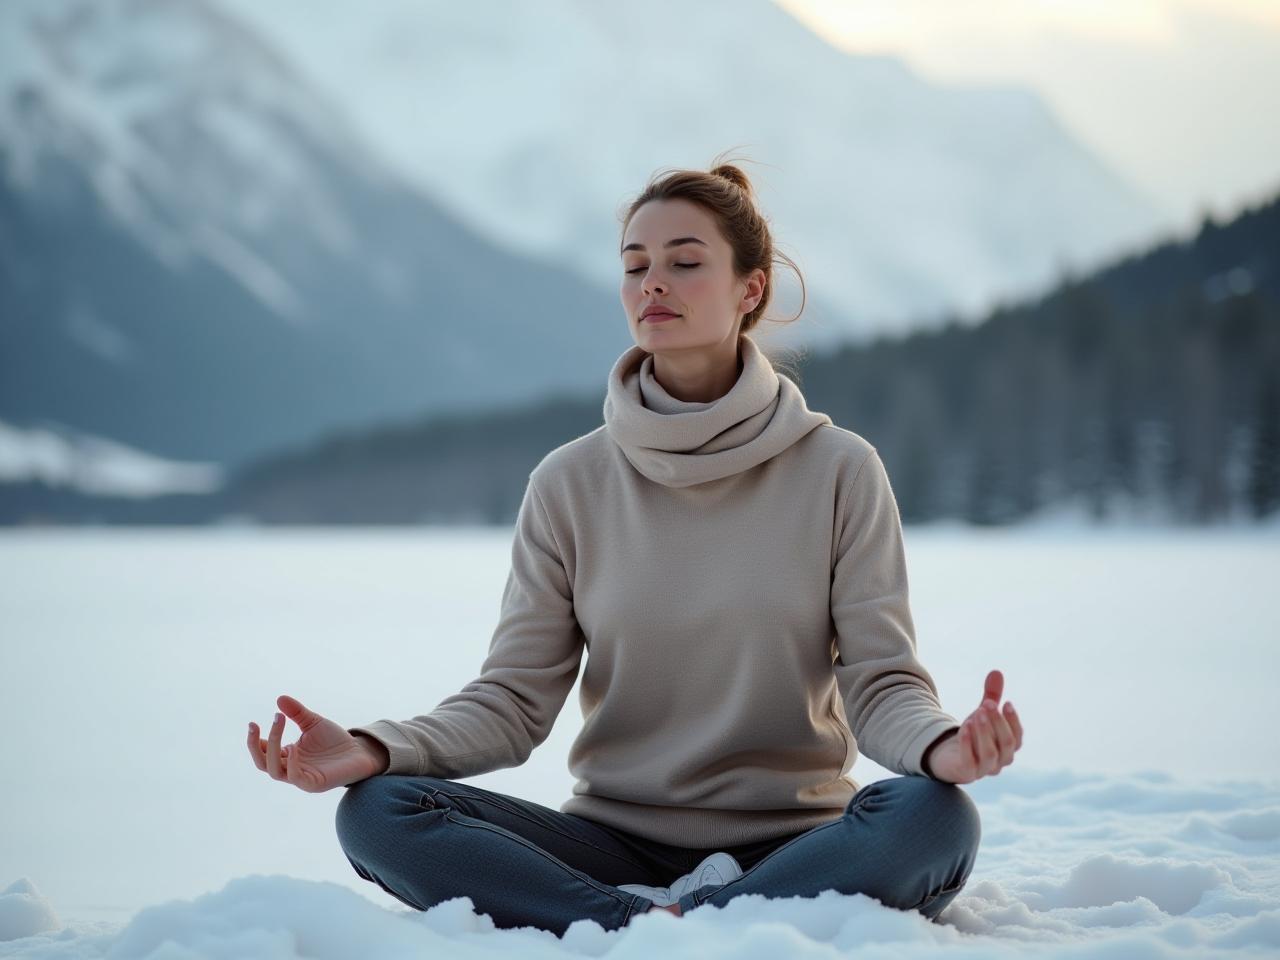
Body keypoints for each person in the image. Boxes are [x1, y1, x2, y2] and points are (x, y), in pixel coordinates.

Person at [246, 155, 1023, 938]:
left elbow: (882, 681)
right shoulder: (569, 482)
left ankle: (655, 930)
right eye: (635, 265)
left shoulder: (839, 470)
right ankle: (651, 926)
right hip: (606, 845)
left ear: (750, 289)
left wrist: (942, 747)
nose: (653, 283)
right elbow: (513, 701)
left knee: (934, 818)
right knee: (379, 813)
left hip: (796, 844)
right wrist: (377, 749)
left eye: (685, 263)